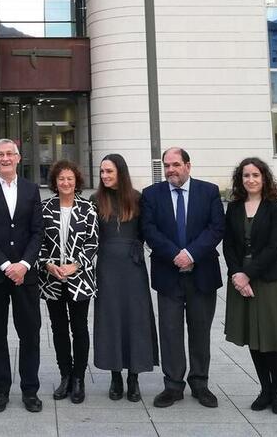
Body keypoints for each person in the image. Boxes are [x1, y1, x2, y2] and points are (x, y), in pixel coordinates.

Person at [141, 147, 225, 409]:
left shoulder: (208, 191)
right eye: (167, 165)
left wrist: (191, 254)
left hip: (202, 274)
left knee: (200, 331)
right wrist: (175, 254)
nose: (170, 170)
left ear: (188, 166)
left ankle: (200, 383)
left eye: (175, 165)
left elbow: (216, 228)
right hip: (168, 273)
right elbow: (149, 230)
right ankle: (173, 385)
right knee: (170, 331)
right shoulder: (151, 195)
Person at [0, 138, 44, 414]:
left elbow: (37, 231)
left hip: (25, 276)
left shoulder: (31, 189)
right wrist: (5, 265)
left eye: (9, 154)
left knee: (30, 334)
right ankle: (1, 390)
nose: (5, 158)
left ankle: (30, 390)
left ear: (18, 157)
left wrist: (23, 264)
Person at [223, 157, 277, 415]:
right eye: (246, 176)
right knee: (253, 337)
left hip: (268, 279)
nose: (251, 180)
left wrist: (247, 275)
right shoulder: (233, 208)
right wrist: (236, 274)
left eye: (256, 175)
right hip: (240, 279)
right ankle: (264, 389)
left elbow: (274, 247)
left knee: (272, 337)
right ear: (240, 179)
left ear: (264, 178)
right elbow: (228, 246)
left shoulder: (276, 208)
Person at [92, 154, 159, 403]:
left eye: (109, 171)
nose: (105, 176)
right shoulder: (95, 199)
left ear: (121, 171)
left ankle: (134, 377)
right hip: (107, 266)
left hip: (133, 266)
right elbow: (90, 236)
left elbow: (147, 231)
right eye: (102, 172)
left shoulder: (137, 198)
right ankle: (115, 376)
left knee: (136, 318)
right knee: (110, 319)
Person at [38, 160, 98, 405]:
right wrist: (48, 264)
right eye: (61, 179)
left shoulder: (87, 208)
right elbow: (38, 241)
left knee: (79, 328)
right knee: (59, 329)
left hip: (79, 279)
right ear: (55, 182)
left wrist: (75, 265)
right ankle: (65, 375)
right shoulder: (44, 208)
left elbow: (93, 242)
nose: (65, 183)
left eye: (70, 179)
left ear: (76, 182)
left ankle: (79, 379)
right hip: (52, 279)